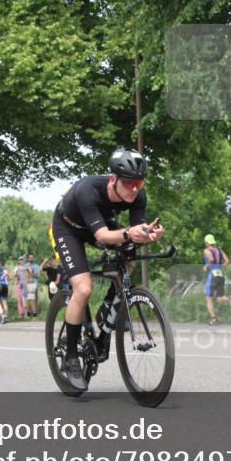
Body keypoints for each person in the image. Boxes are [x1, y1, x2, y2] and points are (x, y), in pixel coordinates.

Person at [51, 148, 164, 390]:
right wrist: (127, 234)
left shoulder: (138, 195)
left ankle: (107, 313)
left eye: (139, 183)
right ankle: (71, 357)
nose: (135, 189)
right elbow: (103, 235)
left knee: (129, 256)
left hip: (100, 223)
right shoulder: (88, 190)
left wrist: (148, 235)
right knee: (83, 289)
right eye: (129, 183)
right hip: (68, 227)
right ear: (114, 179)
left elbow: (135, 233)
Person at [203, 234, 231, 326]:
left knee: (208, 298)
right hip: (220, 274)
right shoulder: (219, 250)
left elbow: (210, 259)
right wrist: (219, 267)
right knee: (219, 298)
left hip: (212, 276)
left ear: (207, 242)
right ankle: (229, 299)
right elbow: (227, 261)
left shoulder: (206, 250)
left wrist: (206, 266)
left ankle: (214, 320)